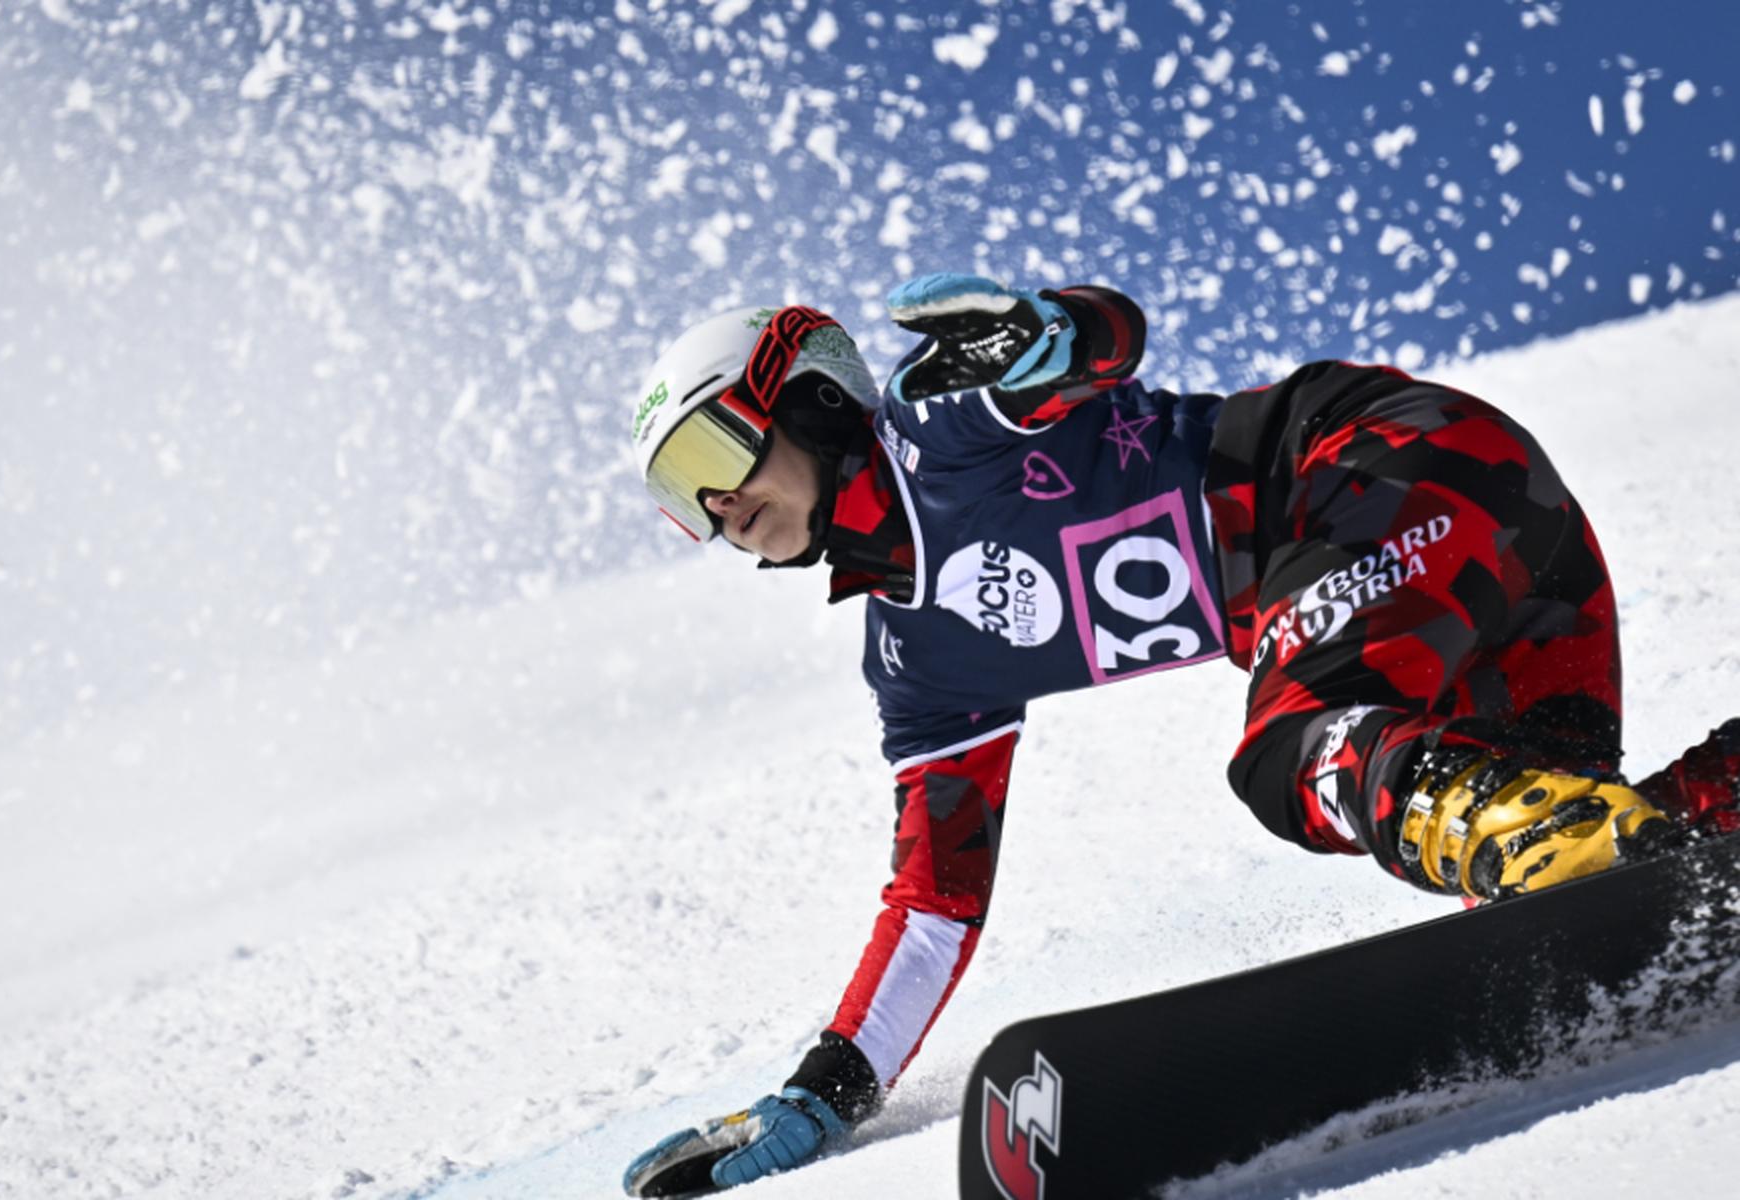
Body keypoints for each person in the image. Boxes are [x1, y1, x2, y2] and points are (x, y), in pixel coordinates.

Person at [619, 276, 1740, 1197]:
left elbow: (1109, 338)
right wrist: (825, 1090)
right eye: (681, 496)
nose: (716, 508)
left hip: (1378, 463)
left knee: (1299, 751)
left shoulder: (936, 431)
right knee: (1585, 849)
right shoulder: (918, 665)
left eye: (715, 455)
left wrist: (1041, 336)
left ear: (812, 400)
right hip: (1485, 544)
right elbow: (935, 901)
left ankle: (1563, 831)